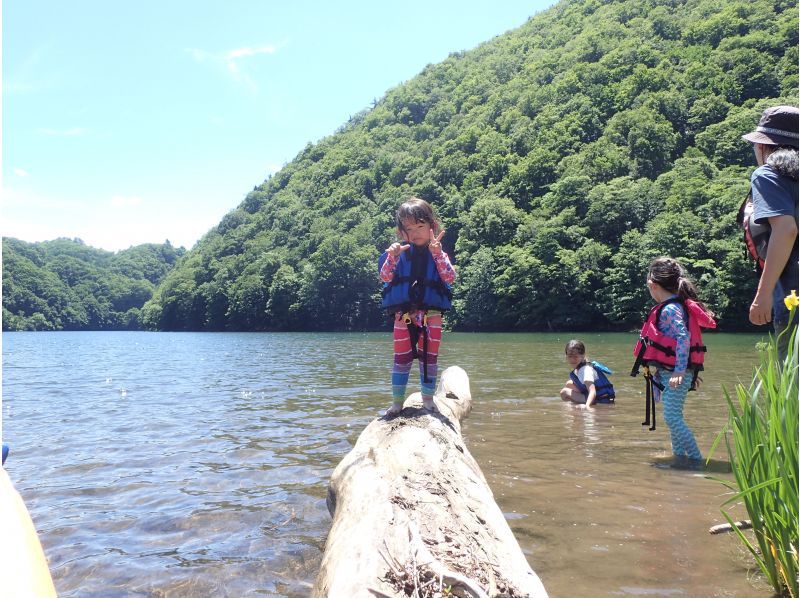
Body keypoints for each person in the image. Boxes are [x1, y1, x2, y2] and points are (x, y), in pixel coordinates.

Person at [634, 257, 716, 467]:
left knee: (672, 418)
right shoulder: (674, 306)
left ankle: (697, 461)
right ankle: (680, 459)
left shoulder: (670, 309)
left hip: (677, 372)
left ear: (653, 285)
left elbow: (682, 337)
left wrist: (681, 371)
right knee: (672, 418)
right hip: (671, 371)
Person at [379, 198, 456, 416]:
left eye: (420, 226)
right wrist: (392, 257)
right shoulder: (398, 254)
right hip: (403, 315)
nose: (415, 232)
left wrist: (438, 254)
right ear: (401, 232)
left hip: (431, 315)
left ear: (432, 226)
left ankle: (428, 400)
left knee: (429, 359)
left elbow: (450, 277)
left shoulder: (439, 253)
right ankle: (397, 403)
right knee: (401, 360)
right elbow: (384, 276)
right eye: (409, 228)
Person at [741, 105, 799, 355]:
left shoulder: (768, 175)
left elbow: (786, 230)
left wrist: (762, 295)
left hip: (793, 300)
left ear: (764, 147)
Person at [559, 340, 615, 407]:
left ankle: (580, 406)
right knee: (569, 384)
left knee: (564, 392)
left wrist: (587, 407)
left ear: (583, 356)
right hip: (601, 398)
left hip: (601, 400)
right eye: (570, 356)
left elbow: (592, 391)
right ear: (566, 356)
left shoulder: (586, 370)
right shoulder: (580, 367)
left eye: (575, 357)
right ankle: (576, 406)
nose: (572, 360)